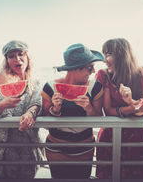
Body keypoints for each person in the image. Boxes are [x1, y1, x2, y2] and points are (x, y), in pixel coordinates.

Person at [0, 40, 43, 179]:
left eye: (21, 54)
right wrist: (2, 105)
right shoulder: (2, 79)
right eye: (11, 56)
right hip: (3, 149)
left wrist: (30, 112)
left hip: (28, 146)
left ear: (27, 57)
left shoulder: (35, 81)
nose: (17, 59)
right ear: (7, 60)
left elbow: (36, 103)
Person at [40, 43, 104, 179]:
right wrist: (55, 110)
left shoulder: (95, 87)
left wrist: (89, 108)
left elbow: (99, 119)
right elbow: (44, 122)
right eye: (89, 68)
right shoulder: (50, 87)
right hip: (56, 150)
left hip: (84, 150)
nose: (93, 71)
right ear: (76, 69)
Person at [95, 38, 143, 179]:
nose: (104, 60)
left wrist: (132, 103)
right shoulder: (104, 76)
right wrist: (131, 108)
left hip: (138, 139)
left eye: (108, 54)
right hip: (110, 137)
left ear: (122, 55)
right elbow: (107, 110)